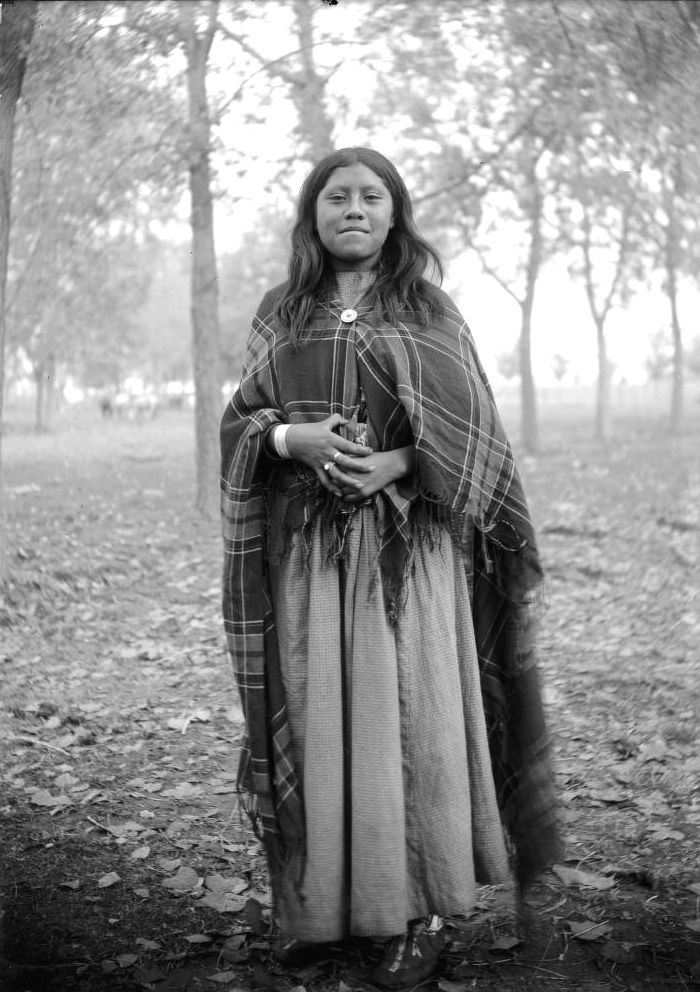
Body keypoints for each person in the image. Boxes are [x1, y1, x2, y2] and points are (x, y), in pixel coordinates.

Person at [220, 147, 558, 988]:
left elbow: (477, 438)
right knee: (320, 721)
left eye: (373, 197)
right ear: (314, 215)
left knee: (411, 725)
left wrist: (401, 461)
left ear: (395, 213)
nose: (355, 210)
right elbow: (240, 425)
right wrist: (291, 438)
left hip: (408, 562)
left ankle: (421, 912)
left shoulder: (428, 308)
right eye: (338, 197)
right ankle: (325, 911)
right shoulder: (282, 312)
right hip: (307, 558)